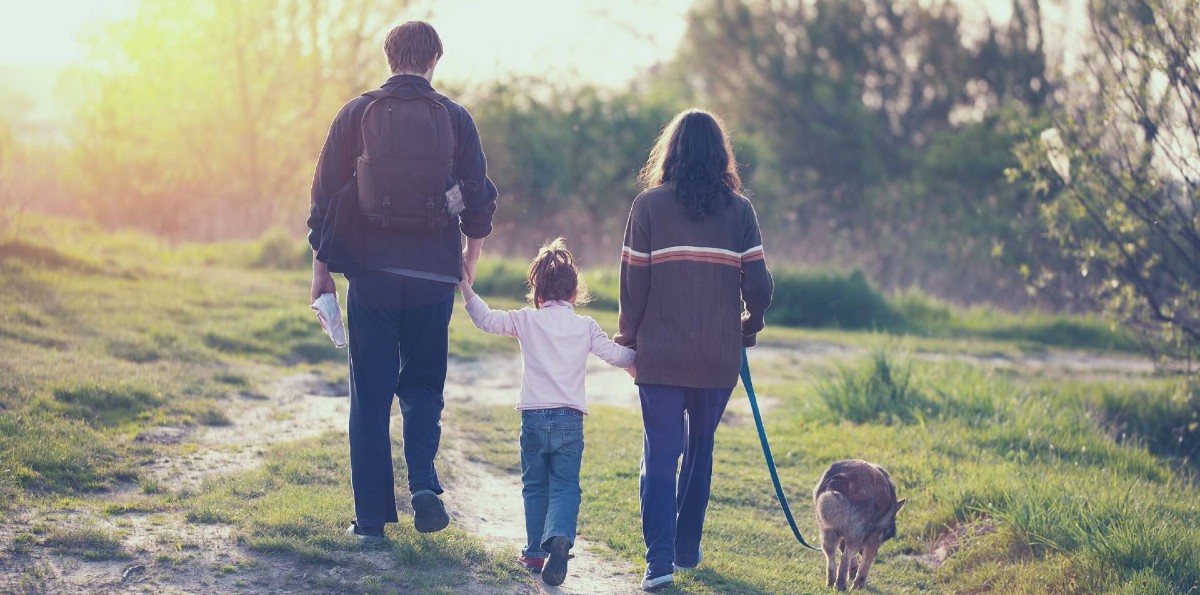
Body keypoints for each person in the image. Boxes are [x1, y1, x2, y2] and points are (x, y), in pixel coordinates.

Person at [305, 21, 498, 541]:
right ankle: (424, 486)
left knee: (370, 395)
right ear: (435, 59)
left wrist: (321, 270)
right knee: (422, 388)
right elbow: (478, 200)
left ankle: (370, 521)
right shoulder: (456, 119)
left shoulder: (357, 112)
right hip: (434, 276)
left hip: (372, 275)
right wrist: (469, 260)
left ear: (390, 58)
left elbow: (324, 198)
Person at [615, 109, 773, 591]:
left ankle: (658, 562)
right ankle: (686, 549)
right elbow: (761, 285)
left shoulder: (648, 207)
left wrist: (628, 340)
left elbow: (633, 286)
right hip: (717, 356)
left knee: (660, 454)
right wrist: (750, 325)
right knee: (700, 450)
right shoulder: (740, 211)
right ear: (721, 155)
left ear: (673, 152)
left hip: (661, 353)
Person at [458, 238, 635, 587]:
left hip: (534, 419)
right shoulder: (585, 326)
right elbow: (619, 357)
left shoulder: (526, 320)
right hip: (570, 421)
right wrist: (643, 357)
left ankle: (535, 551)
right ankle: (561, 538)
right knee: (566, 486)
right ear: (574, 292)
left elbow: (485, 319)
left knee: (535, 486)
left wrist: (464, 285)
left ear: (537, 292)